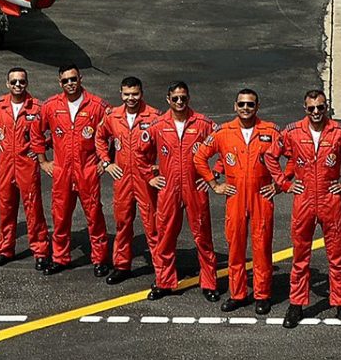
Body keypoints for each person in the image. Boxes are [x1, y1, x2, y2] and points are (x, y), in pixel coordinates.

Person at [270, 90, 341, 328]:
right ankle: (296, 304)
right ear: (305, 109)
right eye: (312, 108)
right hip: (303, 198)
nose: (316, 112)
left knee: (337, 256)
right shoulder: (292, 132)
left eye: (321, 108)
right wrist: (284, 183)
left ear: (327, 108)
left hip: (329, 198)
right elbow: (270, 156)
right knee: (300, 256)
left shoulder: (339, 132)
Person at [196, 89, 282, 314]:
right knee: (235, 247)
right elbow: (199, 157)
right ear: (235, 106)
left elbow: (292, 155)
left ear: (257, 106)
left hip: (261, 196)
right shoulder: (223, 132)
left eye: (250, 105)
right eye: (242, 104)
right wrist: (214, 184)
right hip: (234, 196)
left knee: (262, 246)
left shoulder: (270, 131)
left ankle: (262, 294)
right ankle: (238, 294)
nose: (246, 108)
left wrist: (279, 185)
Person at [148, 82, 219, 300]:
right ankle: (164, 282)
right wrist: (151, 177)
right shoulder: (157, 125)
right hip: (169, 188)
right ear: (168, 99)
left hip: (195, 187)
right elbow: (140, 152)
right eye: (176, 98)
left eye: (183, 98)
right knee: (165, 236)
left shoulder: (203, 124)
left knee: (203, 237)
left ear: (189, 98)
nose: (180, 102)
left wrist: (213, 174)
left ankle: (209, 283)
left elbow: (225, 147)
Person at [0, 68, 51, 269]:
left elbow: (56, 129)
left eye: (21, 82)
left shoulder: (37, 107)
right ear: (7, 84)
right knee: (5, 208)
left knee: (33, 208)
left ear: (27, 83)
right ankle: (5, 250)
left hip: (27, 165)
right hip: (5, 164)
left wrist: (41, 147)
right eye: (13, 82)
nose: (17, 85)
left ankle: (40, 251)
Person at [42, 64, 109, 275]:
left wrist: (105, 162)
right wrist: (43, 161)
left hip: (87, 170)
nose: (70, 84)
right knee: (60, 216)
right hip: (62, 170)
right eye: (65, 81)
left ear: (80, 78)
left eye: (73, 79)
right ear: (59, 82)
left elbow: (114, 134)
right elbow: (36, 134)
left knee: (94, 215)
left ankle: (100, 259)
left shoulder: (97, 105)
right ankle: (60, 257)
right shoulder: (51, 106)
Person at [98, 77, 161, 283]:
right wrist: (107, 163)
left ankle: (161, 270)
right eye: (127, 94)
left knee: (152, 226)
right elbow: (99, 137)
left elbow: (166, 144)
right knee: (122, 224)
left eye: (134, 94)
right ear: (121, 94)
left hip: (146, 180)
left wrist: (160, 168)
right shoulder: (113, 116)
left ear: (141, 93)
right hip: (122, 178)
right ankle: (122, 266)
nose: (131, 98)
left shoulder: (154, 116)